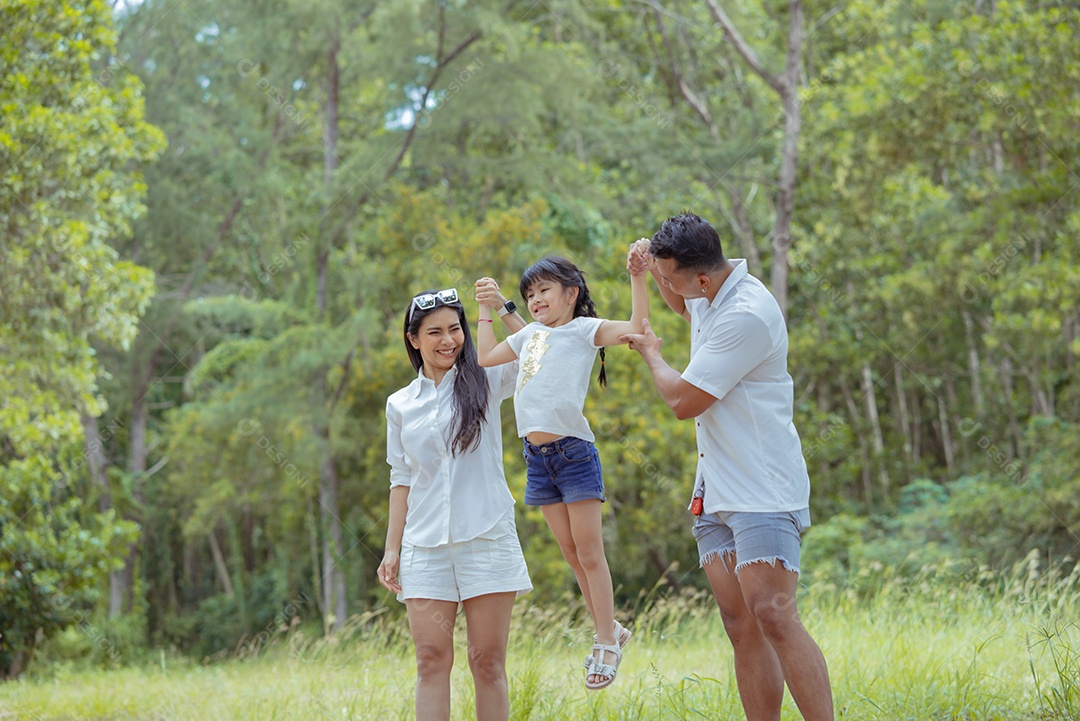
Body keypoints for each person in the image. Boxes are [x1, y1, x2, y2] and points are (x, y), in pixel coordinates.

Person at [620, 214, 834, 721]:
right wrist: (652, 270)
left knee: (775, 617)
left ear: (701, 278)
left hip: (762, 488)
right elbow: (683, 303)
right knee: (741, 626)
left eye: (671, 277)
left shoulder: (747, 314)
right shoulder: (711, 290)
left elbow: (681, 401)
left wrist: (652, 353)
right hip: (714, 487)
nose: (668, 288)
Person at [475, 247, 647, 691]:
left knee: (590, 554)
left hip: (573, 454)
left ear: (571, 294)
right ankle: (611, 628)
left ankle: (606, 640)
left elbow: (634, 327)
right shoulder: (532, 337)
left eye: (544, 290)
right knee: (572, 556)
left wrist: (638, 277)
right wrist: (486, 310)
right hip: (538, 461)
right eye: (529, 293)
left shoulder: (583, 331)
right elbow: (485, 358)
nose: (535, 299)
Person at [377, 286, 532, 721]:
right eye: (435, 332)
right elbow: (401, 478)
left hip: (487, 536)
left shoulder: (486, 376)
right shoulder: (400, 404)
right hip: (424, 546)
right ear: (413, 339)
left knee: (486, 661)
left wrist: (501, 307)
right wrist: (392, 549)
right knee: (429, 659)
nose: (449, 340)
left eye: (455, 329)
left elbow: (536, 353)